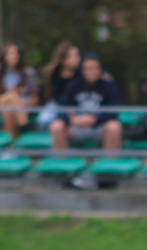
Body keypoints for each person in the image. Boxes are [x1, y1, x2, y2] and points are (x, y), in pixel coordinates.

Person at [50, 52, 122, 190]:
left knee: (114, 127)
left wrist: (94, 120)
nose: (92, 71)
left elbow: (113, 112)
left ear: (100, 69)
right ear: (83, 70)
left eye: (95, 68)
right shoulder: (73, 85)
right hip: (76, 127)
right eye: (89, 68)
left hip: (98, 128)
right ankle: (63, 173)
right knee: (57, 126)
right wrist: (74, 119)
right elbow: (62, 110)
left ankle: (108, 175)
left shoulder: (108, 86)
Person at [0, 42, 39, 138]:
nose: (14, 56)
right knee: (10, 100)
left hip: (23, 105)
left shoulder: (28, 73)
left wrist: (19, 100)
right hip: (5, 105)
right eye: (11, 53)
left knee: (9, 109)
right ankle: (23, 124)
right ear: (4, 57)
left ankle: (9, 147)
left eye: (16, 53)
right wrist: (10, 95)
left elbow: (35, 99)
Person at [36, 41, 81, 130]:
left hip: (77, 105)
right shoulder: (54, 74)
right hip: (58, 104)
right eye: (75, 56)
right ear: (64, 60)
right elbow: (56, 96)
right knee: (43, 121)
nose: (78, 58)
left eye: (78, 55)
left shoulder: (81, 74)